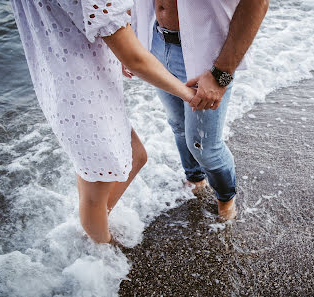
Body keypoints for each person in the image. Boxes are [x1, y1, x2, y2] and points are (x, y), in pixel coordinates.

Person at [11, 0, 196, 244]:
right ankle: (101, 247)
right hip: (84, 96)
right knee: (94, 191)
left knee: (134, 157)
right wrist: (189, 95)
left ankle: (94, 228)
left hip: (65, 85)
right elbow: (135, 59)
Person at [130, 0, 269, 219]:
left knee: (205, 146)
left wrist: (221, 74)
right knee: (178, 124)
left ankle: (225, 199)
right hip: (156, 41)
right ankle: (195, 180)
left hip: (205, 53)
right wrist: (130, 45)